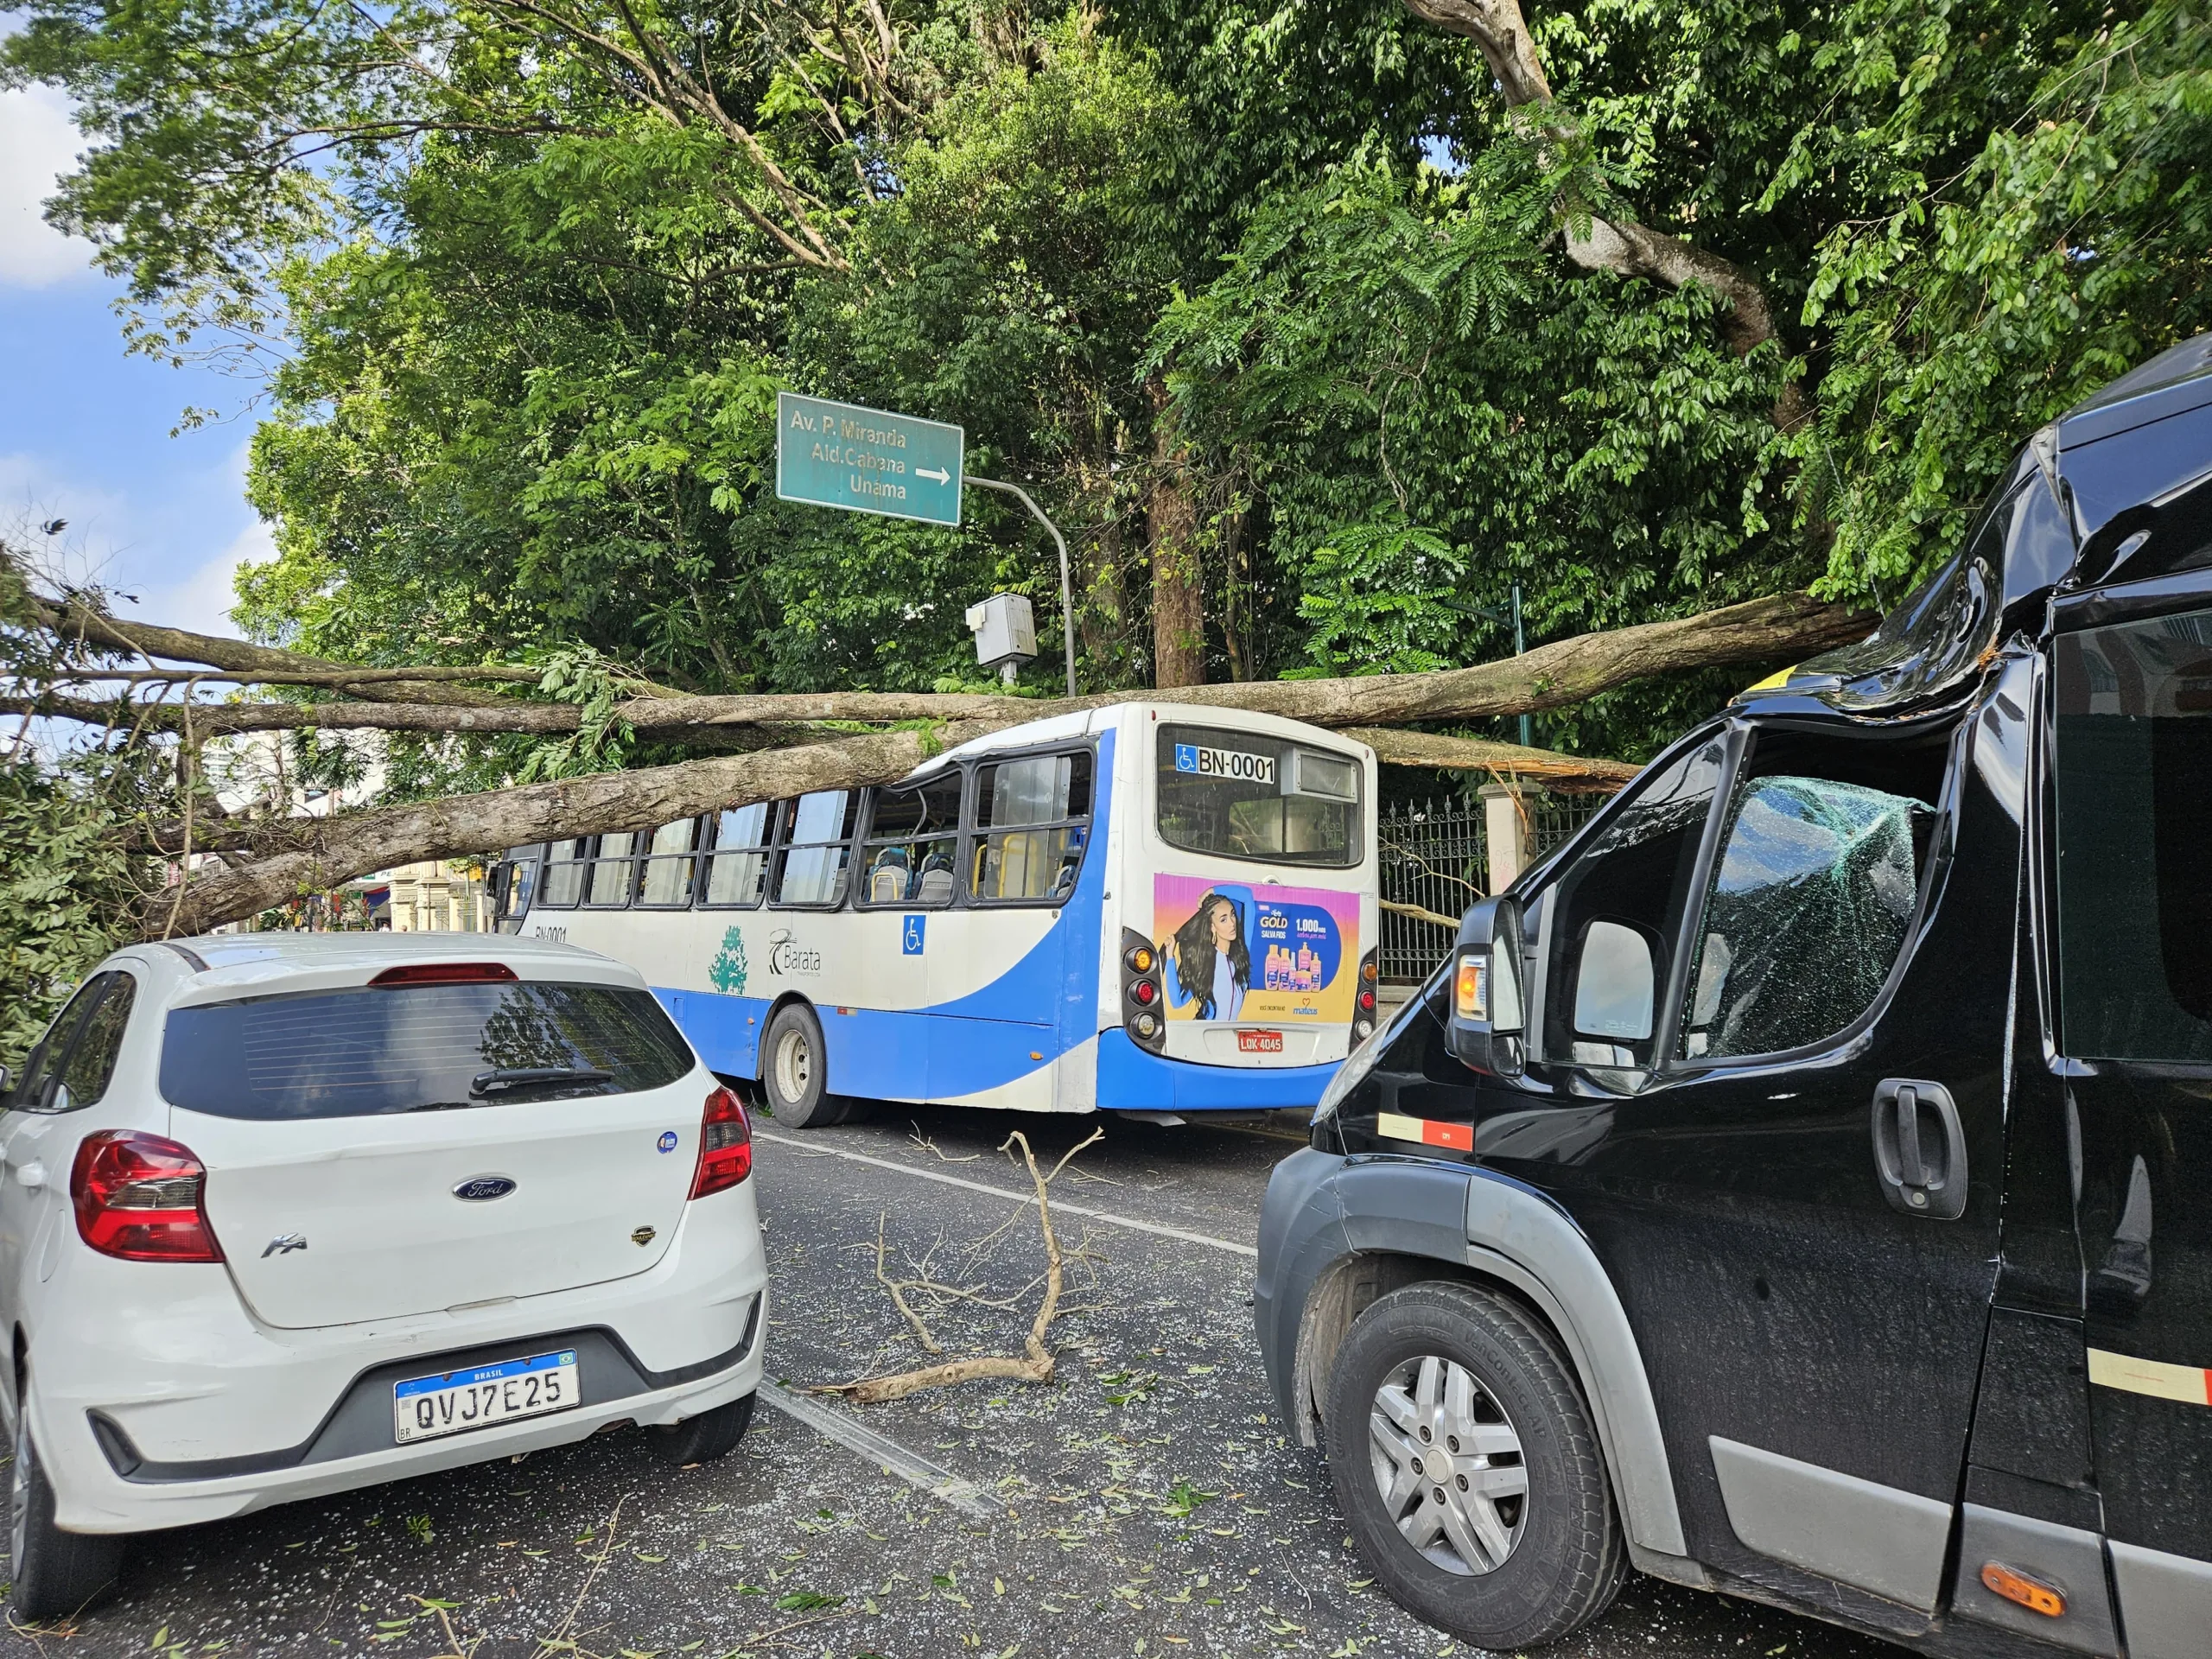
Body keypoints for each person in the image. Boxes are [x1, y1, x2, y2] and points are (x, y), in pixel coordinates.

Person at [1163, 891, 1249, 1020]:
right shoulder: (1207, 962)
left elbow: (1248, 897)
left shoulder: (1241, 954)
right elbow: (1177, 1002)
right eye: (1223, 920)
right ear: (1212, 927)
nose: (1232, 923)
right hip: (1205, 1036)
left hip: (1229, 1037)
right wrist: (1170, 956)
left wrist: (1213, 890)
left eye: (1233, 915)